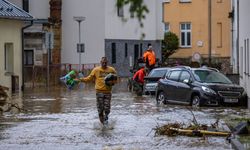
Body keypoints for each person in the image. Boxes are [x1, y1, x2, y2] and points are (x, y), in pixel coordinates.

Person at [75, 57, 117, 125]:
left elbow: (116, 79)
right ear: (100, 62)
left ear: (107, 62)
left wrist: (112, 82)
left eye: (105, 63)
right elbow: (89, 79)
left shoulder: (111, 70)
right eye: (103, 62)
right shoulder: (96, 70)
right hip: (99, 92)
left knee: (107, 109)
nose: (104, 64)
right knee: (100, 110)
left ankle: (106, 119)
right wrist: (80, 80)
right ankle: (103, 124)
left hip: (108, 92)